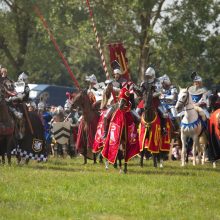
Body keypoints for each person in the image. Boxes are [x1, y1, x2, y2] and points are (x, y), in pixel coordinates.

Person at [136, 66, 167, 135]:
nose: (148, 77)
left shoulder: (157, 82)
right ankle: (137, 128)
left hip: (155, 101)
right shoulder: (143, 83)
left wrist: (153, 95)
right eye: (147, 75)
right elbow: (141, 92)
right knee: (137, 111)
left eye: (149, 75)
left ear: (153, 75)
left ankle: (163, 128)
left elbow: (160, 91)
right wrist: (137, 91)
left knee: (164, 114)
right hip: (145, 101)